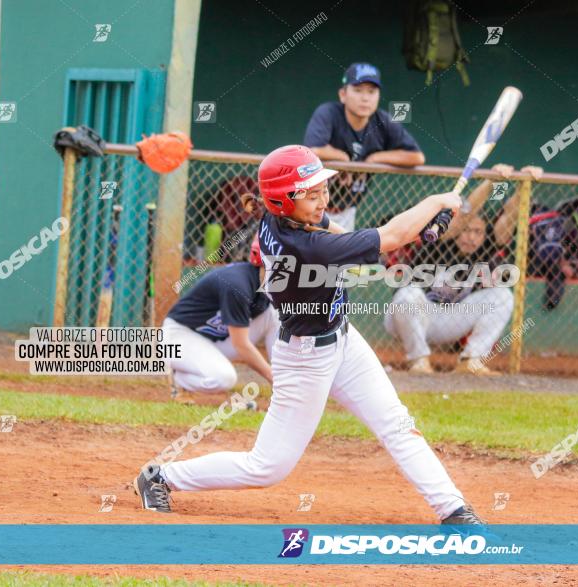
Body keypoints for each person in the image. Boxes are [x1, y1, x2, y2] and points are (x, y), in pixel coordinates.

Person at [133, 145, 484, 526]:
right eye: (311, 194)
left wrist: (421, 224)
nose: (322, 201)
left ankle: (453, 510)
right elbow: (390, 235)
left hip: (343, 340)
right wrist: (435, 202)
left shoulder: (284, 219)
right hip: (304, 358)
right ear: (283, 201)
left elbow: (364, 236)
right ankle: (161, 476)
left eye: (322, 190)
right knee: (266, 468)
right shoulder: (303, 246)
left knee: (396, 423)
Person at [384, 164, 542, 375]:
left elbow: (509, 218)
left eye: (478, 232)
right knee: (408, 294)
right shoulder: (441, 239)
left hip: (450, 318)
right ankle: (419, 361)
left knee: (503, 295)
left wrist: (524, 184)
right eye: (467, 231)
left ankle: (471, 360)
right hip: (410, 315)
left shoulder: (485, 247)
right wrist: (490, 182)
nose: (471, 237)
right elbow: (465, 215)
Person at [303, 62, 425, 230]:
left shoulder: (384, 121)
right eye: (358, 90)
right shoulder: (328, 113)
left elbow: (416, 157)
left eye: (371, 91)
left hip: (347, 211)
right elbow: (313, 149)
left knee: (340, 253)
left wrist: (375, 158)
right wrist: (344, 159)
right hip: (307, 206)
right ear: (343, 94)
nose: (365, 98)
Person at [162, 259, 278, 404]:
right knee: (224, 378)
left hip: (213, 341)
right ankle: (180, 378)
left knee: (276, 315)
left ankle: (283, 388)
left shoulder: (268, 286)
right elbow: (241, 345)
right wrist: (273, 377)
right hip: (179, 336)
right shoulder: (237, 284)